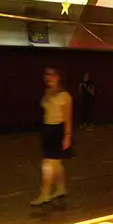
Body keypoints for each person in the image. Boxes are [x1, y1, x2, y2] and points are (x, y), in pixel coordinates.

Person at [31, 67, 73, 206]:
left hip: (58, 130)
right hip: (47, 129)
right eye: (46, 74)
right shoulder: (47, 92)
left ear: (59, 76)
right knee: (56, 163)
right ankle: (61, 188)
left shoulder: (65, 96)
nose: (48, 77)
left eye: (52, 74)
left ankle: (45, 194)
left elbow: (68, 118)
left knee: (48, 163)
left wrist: (67, 136)